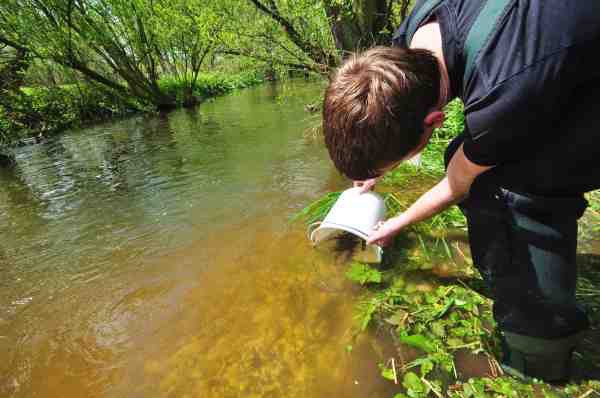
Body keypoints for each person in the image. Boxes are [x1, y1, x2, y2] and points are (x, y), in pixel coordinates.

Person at [321, 0, 600, 382]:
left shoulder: (501, 95)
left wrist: (394, 224)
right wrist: (374, 169)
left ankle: (538, 349)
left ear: (434, 121)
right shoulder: (417, 27)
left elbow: (457, 184)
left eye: (392, 164)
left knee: (496, 186)